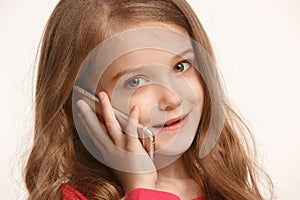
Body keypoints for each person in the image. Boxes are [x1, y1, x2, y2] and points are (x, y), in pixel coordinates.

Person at [24, 0, 273, 199]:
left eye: (180, 66)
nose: (172, 98)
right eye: (136, 82)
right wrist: (141, 187)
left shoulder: (227, 187)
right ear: (87, 104)